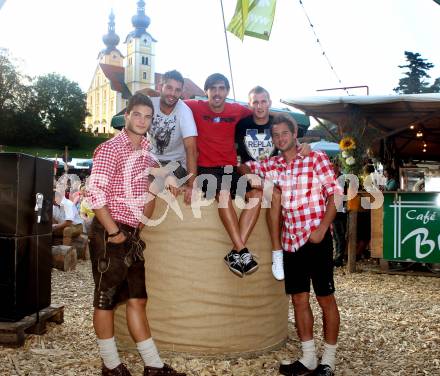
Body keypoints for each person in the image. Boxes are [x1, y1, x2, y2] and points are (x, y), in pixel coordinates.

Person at [86, 93, 185, 376]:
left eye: (148, 116)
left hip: (131, 234)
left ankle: (153, 366)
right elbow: (95, 193)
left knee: (137, 299)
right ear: (126, 116)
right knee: (105, 298)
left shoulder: (145, 151)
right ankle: (111, 365)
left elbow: (165, 170)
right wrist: (113, 231)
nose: (143, 121)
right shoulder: (110, 149)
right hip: (111, 230)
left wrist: (169, 178)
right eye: (137, 115)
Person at [246, 115, 341, 376]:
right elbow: (244, 166)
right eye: (275, 135)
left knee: (325, 298)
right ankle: (309, 357)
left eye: (283, 134)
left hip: (316, 238)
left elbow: (335, 194)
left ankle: (329, 360)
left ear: (295, 132)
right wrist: (253, 179)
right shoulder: (273, 164)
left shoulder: (315, 158)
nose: (279, 139)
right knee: (299, 300)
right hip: (290, 242)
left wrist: (322, 229)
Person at [185, 73, 259, 278]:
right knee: (223, 194)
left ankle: (236, 252)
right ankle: (243, 251)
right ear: (206, 91)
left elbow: (260, 116)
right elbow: (168, 100)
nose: (217, 93)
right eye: (213, 88)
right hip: (206, 169)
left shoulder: (237, 109)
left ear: (227, 91)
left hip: (230, 169)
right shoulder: (194, 106)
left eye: (221, 88)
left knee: (257, 196)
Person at [235, 86, 285, 280]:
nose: (259, 106)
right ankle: (241, 251)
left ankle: (277, 253)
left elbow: (289, 144)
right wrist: (248, 175)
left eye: (263, 101)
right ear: (249, 104)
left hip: (272, 174)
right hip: (247, 174)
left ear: (269, 103)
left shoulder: (276, 124)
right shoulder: (242, 125)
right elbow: (236, 158)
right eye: (255, 102)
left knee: (277, 195)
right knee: (260, 195)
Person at [148, 70, 198, 204]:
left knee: (154, 186)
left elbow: (191, 149)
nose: (172, 94)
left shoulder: (184, 111)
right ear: (160, 87)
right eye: (169, 87)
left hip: (176, 165)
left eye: (177, 90)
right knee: (138, 184)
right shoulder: (150, 104)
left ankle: (168, 178)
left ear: (181, 92)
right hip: (152, 161)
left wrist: (192, 185)